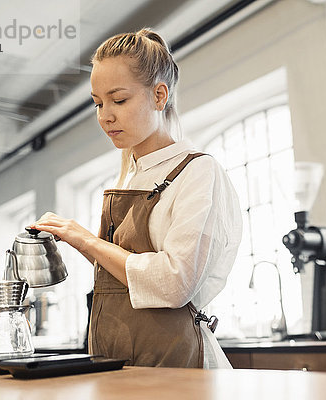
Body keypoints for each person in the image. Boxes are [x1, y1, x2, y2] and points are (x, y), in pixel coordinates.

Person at [31, 29, 242, 368]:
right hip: (120, 360)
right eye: (98, 103)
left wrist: (87, 240)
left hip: (178, 364)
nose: (105, 116)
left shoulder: (198, 171)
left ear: (160, 96)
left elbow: (175, 283)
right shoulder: (131, 175)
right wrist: (76, 242)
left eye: (119, 100)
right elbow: (124, 277)